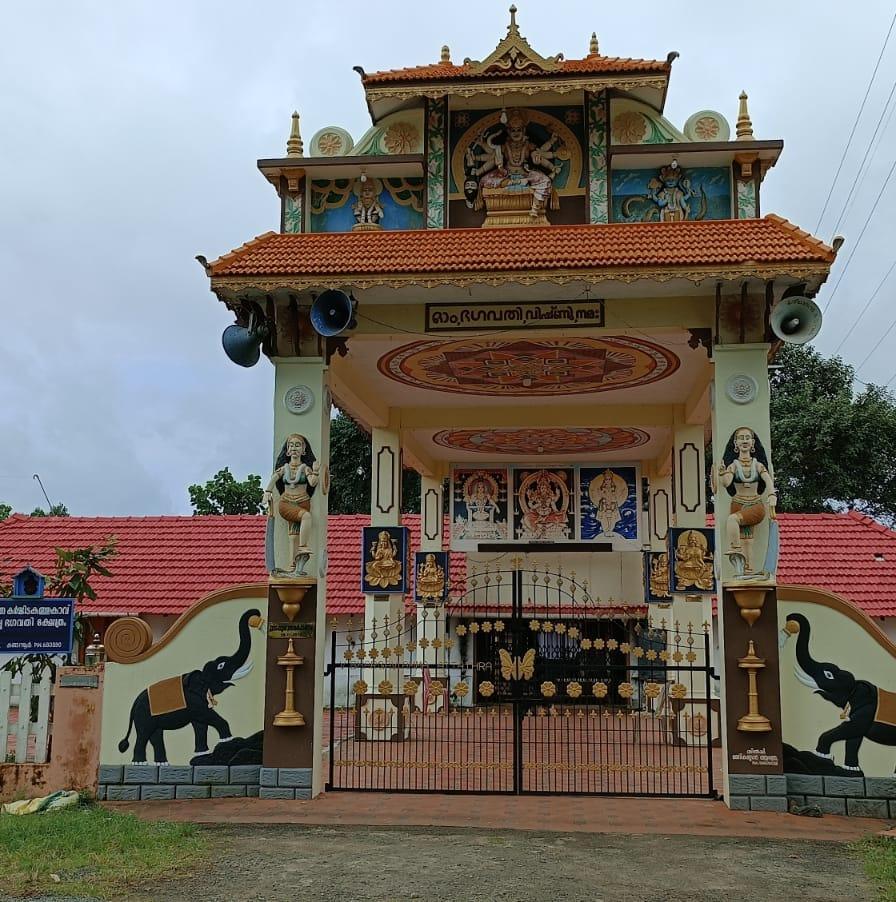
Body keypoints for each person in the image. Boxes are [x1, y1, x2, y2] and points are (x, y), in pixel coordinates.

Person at [466, 109, 560, 218]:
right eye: (513, 130)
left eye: (518, 130)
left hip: (525, 174)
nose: (516, 133)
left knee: (546, 180)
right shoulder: (504, 147)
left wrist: (552, 166)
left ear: (524, 130)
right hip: (505, 175)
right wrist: (478, 156)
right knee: (484, 181)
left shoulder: (529, 146)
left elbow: (541, 154)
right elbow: (491, 155)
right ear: (508, 131)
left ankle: (535, 207)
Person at [716, 426, 777, 575]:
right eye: (741, 438)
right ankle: (746, 571)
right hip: (738, 503)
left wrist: (772, 495)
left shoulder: (757, 465)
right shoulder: (734, 465)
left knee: (732, 520)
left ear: (753, 443)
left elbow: (768, 480)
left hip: (755, 504)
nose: (744, 441)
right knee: (748, 540)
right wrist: (722, 473)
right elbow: (727, 482)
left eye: (747, 438)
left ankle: (735, 550)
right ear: (735, 443)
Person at [263, 434, 320, 573]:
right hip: (286, 502)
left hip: (303, 501)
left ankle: (293, 567)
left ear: (304, 450)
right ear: (287, 450)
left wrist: (316, 471)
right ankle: (303, 547)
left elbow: (312, 482)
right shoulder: (284, 468)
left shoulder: (305, 468)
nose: (294, 448)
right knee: (306, 516)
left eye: (298, 445)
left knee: (293, 535)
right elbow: (274, 478)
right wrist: (267, 492)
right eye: (291, 445)